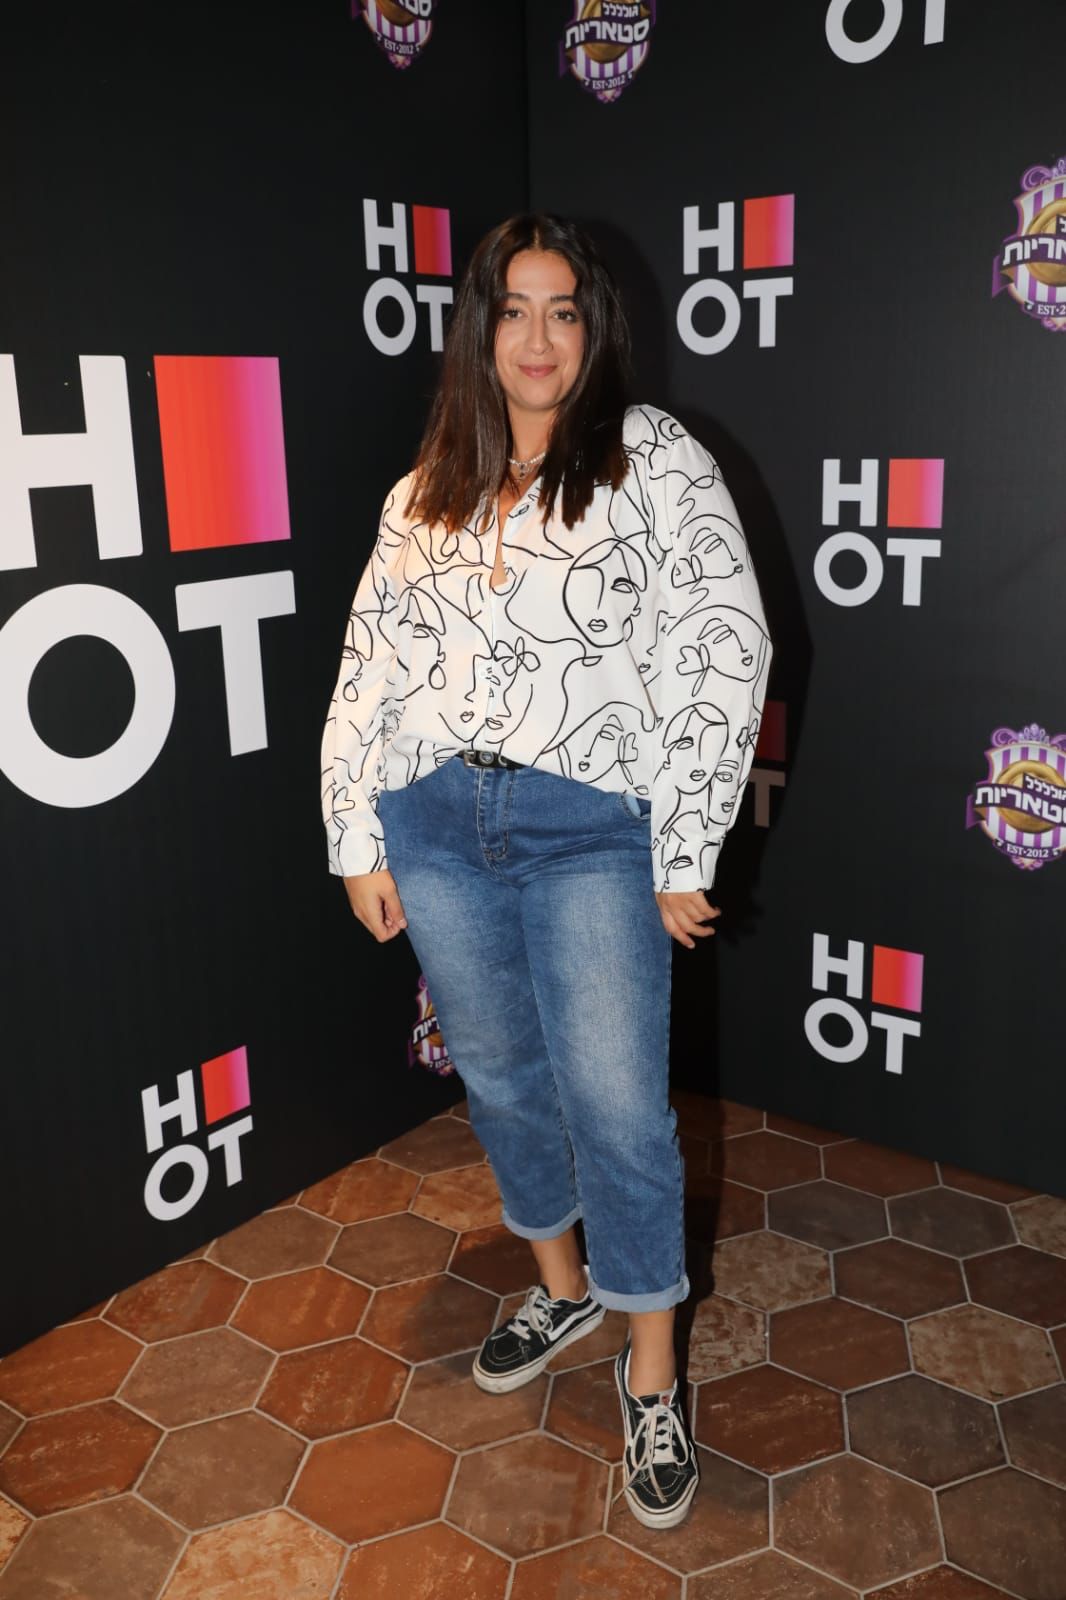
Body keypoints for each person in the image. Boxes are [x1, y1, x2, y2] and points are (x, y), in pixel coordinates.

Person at [321, 213, 771, 1529]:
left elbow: (724, 645)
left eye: (561, 310)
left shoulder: (654, 459)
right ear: (478, 330)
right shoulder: (424, 488)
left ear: (594, 328)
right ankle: (564, 1292)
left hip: (590, 832)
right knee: (505, 1079)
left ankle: (651, 1367)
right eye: (511, 310)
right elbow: (368, 668)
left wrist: (685, 844)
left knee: (620, 1106)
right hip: (433, 824)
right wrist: (356, 835)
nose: (536, 337)